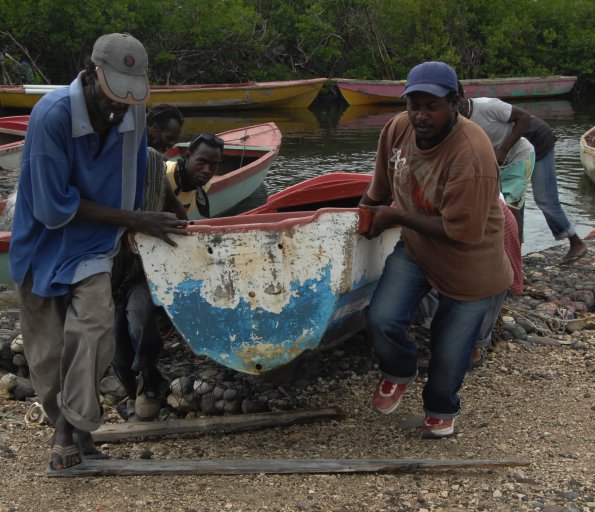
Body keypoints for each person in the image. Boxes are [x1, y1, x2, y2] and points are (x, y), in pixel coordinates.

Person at [9, 33, 188, 472]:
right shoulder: (50, 116)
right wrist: (134, 221)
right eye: (112, 98)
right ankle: (77, 432)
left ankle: (68, 433)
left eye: (129, 99)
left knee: (93, 330)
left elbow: (130, 183)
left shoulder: (132, 111)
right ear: (90, 76)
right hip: (40, 243)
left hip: (92, 244)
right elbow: (53, 208)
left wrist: (141, 222)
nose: (119, 109)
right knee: (48, 357)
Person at [360, 61, 513, 438]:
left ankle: (441, 409)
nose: (420, 115)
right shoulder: (398, 129)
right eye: (414, 104)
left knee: (448, 356)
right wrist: (362, 218)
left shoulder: (472, 155)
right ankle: (399, 371)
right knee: (381, 317)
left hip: (472, 268)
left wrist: (395, 216)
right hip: (417, 250)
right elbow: (377, 190)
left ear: (455, 103)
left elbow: (461, 232)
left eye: (432, 106)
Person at [457, 83, 535, 241]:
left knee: (511, 210)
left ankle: (515, 256)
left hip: (518, 158)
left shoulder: (488, 106)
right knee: (492, 208)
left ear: (460, 98)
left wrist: (503, 150)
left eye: (455, 102)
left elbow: (525, 118)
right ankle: (500, 249)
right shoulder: (454, 123)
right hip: (492, 165)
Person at [165, 132, 224, 215]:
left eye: (214, 164)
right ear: (188, 156)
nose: (207, 170)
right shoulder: (163, 173)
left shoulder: (204, 185)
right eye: (201, 162)